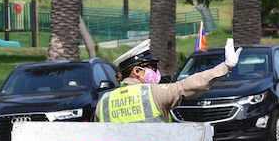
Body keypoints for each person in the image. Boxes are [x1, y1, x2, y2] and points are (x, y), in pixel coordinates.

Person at [94, 38, 242, 123]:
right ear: (137, 71)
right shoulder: (154, 93)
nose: (155, 71)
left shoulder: (104, 102)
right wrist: (225, 67)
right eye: (151, 67)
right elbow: (189, 85)